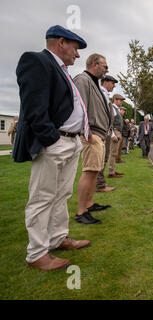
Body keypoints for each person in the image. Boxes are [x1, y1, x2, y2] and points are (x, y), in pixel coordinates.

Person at [14, 25, 90, 271]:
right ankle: (36, 253)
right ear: (61, 42)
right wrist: (52, 140)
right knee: (42, 198)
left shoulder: (61, 70)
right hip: (55, 142)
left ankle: (57, 238)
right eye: (75, 49)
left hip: (70, 141)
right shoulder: (36, 61)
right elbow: (34, 108)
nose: (77, 55)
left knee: (62, 195)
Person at [73, 53, 112, 224]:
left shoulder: (93, 83)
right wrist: (85, 131)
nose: (106, 69)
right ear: (95, 64)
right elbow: (79, 106)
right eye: (104, 66)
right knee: (89, 171)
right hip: (92, 134)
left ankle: (89, 204)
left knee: (94, 171)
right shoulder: (83, 80)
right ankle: (81, 212)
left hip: (99, 134)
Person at [96, 75, 117, 193]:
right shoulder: (100, 92)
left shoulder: (105, 94)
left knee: (104, 157)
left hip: (106, 131)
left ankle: (100, 183)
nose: (114, 86)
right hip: (101, 131)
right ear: (105, 82)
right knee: (101, 158)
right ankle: (99, 185)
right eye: (113, 83)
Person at [108, 96, 126, 178]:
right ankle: (111, 172)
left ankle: (113, 170)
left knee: (115, 153)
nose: (121, 102)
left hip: (118, 132)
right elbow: (109, 123)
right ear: (115, 100)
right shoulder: (112, 108)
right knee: (113, 153)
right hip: (115, 131)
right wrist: (112, 134)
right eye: (120, 100)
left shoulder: (117, 109)